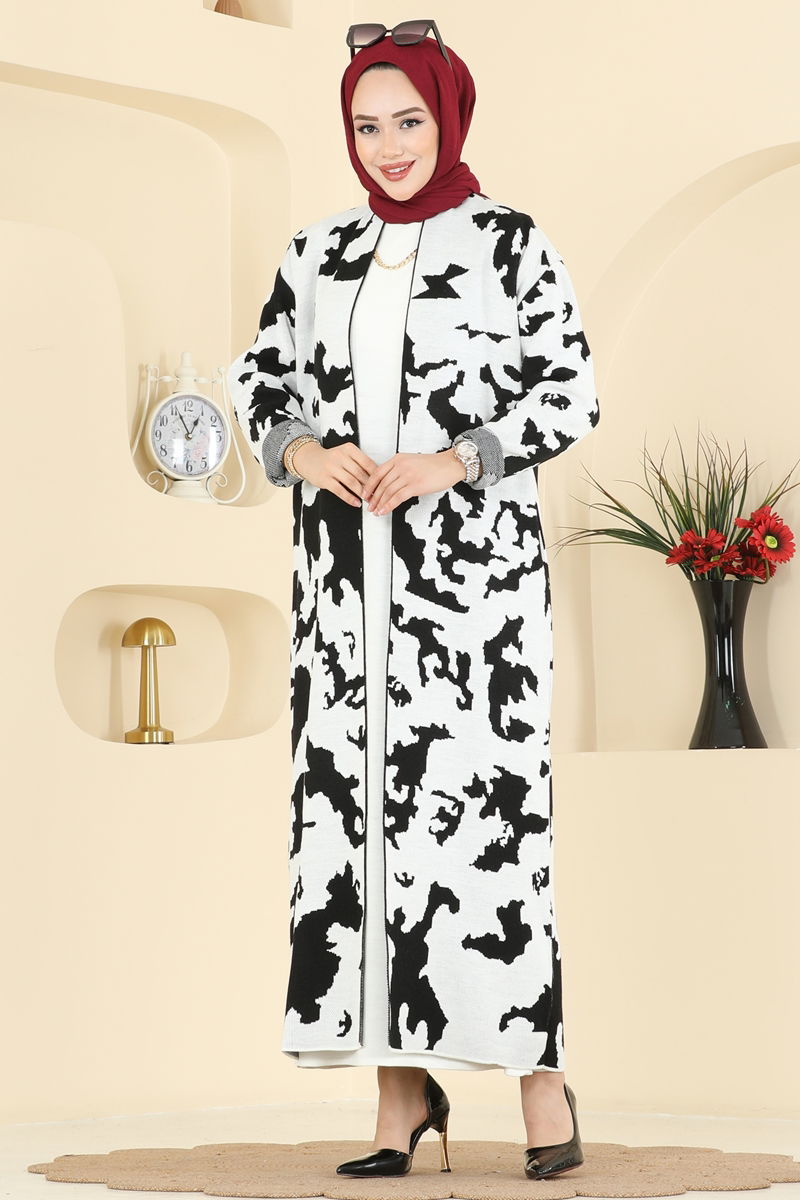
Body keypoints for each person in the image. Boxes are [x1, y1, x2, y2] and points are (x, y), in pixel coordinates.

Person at [227, 19, 599, 1183]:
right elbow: (259, 381)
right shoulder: (315, 252)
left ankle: (539, 1083)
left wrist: (454, 459)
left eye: (408, 121)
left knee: (488, 833)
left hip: (471, 604)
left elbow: (568, 389)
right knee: (357, 834)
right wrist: (302, 452)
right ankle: (397, 1096)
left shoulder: (507, 243)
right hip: (342, 603)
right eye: (366, 125)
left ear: (448, 118)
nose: (388, 146)